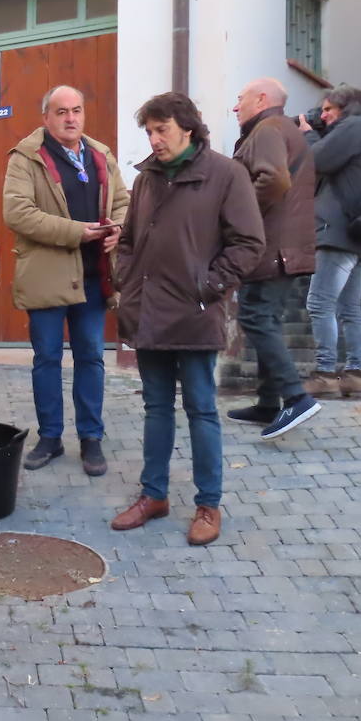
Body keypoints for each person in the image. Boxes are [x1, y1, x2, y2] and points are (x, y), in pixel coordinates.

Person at [112, 94, 264, 546]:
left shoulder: (225, 174)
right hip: (149, 314)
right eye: (150, 132)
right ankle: (153, 495)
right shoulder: (146, 179)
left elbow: (249, 243)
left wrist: (208, 287)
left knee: (200, 409)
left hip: (195, 314)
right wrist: (125, 274)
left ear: (188, 129)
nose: (154, 140)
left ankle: (208, 504)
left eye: (161, 130)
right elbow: (128, 239)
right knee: (156, 407)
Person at [3, 85, 129, 475]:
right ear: (46, 117)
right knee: (47, 359)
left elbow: (123, 202)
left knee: (91, 357)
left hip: (94, 278)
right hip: (46, 276)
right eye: (61, 112)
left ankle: (91, 438)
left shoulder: (100, 154)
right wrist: (77, 231)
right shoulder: (26, 158)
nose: (70, 118)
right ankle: (51, 438)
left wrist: (118, 229)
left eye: (76, 110)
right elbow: (17, 213)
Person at [227, 77, 321, 438]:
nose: (236, 107)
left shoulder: (267, 128)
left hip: (273, 246)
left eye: (241, 99)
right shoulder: (283, 129)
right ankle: (268, 403)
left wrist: (239, 213)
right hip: (284, 244)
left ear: (261, 99)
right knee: (264, 316)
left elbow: (274, 180)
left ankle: (296, 398)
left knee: (255, 316)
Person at [297, 84, 361, 399]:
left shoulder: (353, 126)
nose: (324, 115)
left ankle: (325, 374)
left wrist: (309, 133)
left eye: (328, 110)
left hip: (338, 230)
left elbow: (316, 160)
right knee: (349, 307)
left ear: (345, 107)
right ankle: (356, 373)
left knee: (320, 302)